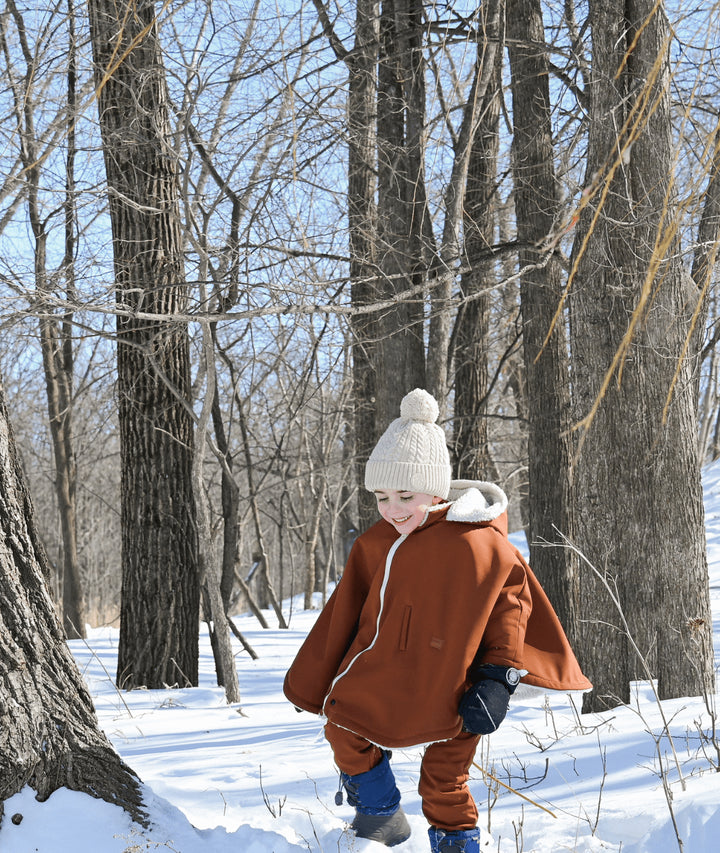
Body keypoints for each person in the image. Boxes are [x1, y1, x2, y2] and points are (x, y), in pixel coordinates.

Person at [284, 389, 591, 852]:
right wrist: (317, 678)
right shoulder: (376, 543)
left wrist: (498, 678)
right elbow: (344, 613)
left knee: (443, 778)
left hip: (458, 682)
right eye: (382, 497)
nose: (393, 509)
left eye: (405, 496)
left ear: (437, 490)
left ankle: (457, 843)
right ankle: (380, 818)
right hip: (388, 671)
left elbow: (511, 612)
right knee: (343, 728)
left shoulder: (479, 544)